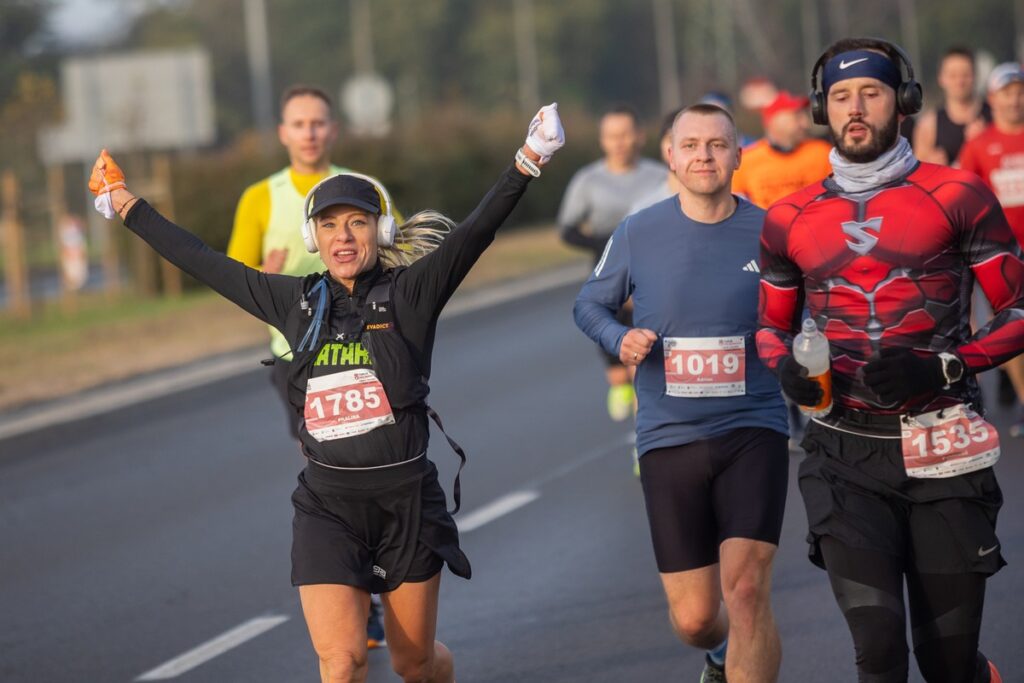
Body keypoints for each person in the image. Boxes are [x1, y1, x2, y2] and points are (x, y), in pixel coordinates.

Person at [88, 104, 565, 683]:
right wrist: (125, 203)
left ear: (379, 231)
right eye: (330, 225)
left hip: (407, 505)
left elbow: (475, 232)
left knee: (415, 664)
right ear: (312, 237)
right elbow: (203, 261)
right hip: (328, 508)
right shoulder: (294, 303)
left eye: (358, 223)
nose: (343, 236)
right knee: (341, 662)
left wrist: (531, 157)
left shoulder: (410, 294)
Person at [758, 37, 1024, 683]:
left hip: (944, 447)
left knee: (947, 663)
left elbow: (1019, 309)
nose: (855, 108)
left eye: (871, 93)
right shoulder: (788, 216)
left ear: (903, 101)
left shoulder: (958, 194)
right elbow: (770, 327)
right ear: (821, 109)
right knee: (878, 650)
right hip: (844, 454)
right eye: (841, 96)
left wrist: (945, 367)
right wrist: (783, 368)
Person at [576, 103, 789, 683]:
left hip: (754, 426)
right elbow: (589, 304)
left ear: (738, 155)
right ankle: (718, 653)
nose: (704, 156)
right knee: (696, 619)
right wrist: (620, 338)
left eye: (717, 144)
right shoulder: (638, 231)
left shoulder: (773, 230)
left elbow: (811, 309)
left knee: (746, 590)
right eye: (690, 145)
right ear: (670, 156)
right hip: (669, 435)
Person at [225, 83, 396, 649]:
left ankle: (379, 576)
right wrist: (263, 269)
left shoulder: (360, 189)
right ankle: (358, 588)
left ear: (333, 129)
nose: (310, 133)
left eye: (318, 122)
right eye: (299, 124)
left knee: (371, 452)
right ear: (283, 133)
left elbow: (400, 257)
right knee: (323, 456)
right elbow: (233, 275)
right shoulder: (261, 197)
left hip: (366, 348)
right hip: (296, 356)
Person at [558, 105, 665, 426]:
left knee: (644, 359)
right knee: (617, 365)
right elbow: (567, 229)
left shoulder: (659, 176)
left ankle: (644, 434)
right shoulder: (588, 180)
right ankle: (619, 383)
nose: (619, 142)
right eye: (611, 136)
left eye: (625, 134)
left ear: (640, 136)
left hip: (650, 271)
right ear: (602, 140)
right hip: (606, 272)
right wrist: (609, 244)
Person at [958, 61, 1024, 436]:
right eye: (1007, 93)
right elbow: (966, 199)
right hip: (1000, 254)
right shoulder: (979, 145)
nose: (1014, 100)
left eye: (1019, 92)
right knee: (1010, 327)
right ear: (993, 99)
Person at [730, 91, 832, 209]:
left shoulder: (822, 153)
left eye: (804, 116)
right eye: (797, 116)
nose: (806, 124)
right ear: (775, 120)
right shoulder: (746, 161)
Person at [912, 47, 991, 166]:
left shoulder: (995, 115)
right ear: (941, 78)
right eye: (953, 75)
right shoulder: (928, 125)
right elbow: (918, 171)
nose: (960, 81)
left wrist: (986, 141)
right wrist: (931, 165)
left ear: (975, 76)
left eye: (965, 75)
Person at [628, 107, 684, 213]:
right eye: (671, 139)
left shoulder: (718, 208)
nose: (677, 147)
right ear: (660, 144)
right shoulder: (644, 211)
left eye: (690, 144)